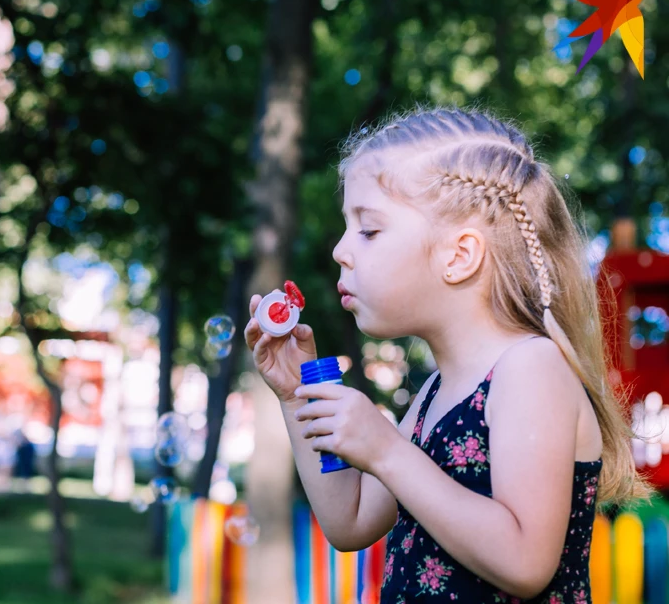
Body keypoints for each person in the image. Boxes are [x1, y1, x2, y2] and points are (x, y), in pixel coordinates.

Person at [244, 104, 654, 602]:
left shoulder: (530, 368)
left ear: (460, 256)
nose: (340, 250)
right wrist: (297, 396)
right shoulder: (437, 391)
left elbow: (525, 561)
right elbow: (349, 521)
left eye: (368, 230)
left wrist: (387, 451)